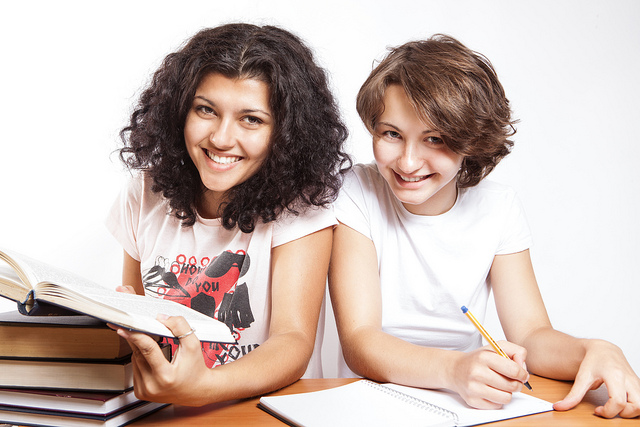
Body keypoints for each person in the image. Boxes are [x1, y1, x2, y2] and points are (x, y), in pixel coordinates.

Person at [329, 34, 640, 419]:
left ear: (471, 142)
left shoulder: (498, 207)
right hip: (367, 403)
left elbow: (530, 334)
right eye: (392, 134)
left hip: (465, 405)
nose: (408, 162)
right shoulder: (356, 191)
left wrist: (591, 349)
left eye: (435, 139)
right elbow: (361, 342)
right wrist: (454, 369)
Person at [106, 23, 350, 406]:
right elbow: (140, 319)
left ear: (286, 132)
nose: (221, 139)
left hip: (257, 410)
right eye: (206, 110)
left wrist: (201, 388)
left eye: (251, 119)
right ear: (179, 111)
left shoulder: (301, 206)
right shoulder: (144, 192)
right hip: (161, 409)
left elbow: (293, 341)